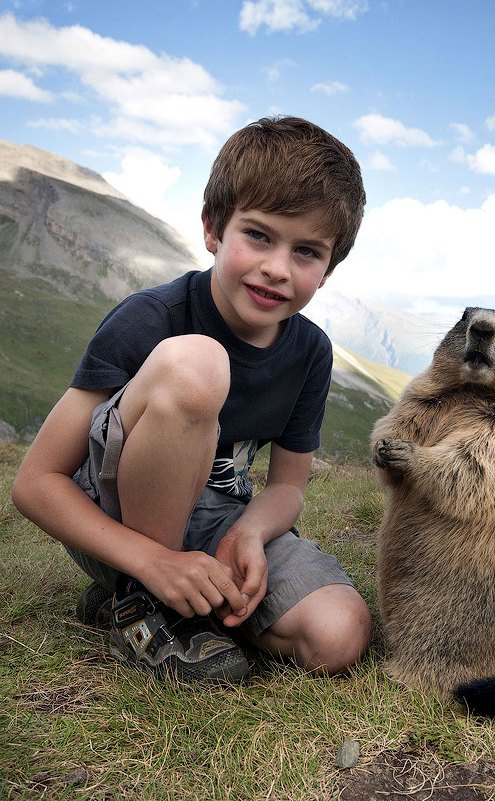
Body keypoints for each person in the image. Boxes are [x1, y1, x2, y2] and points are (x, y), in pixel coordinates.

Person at [11, 116, 372, 684]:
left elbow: (286, 485)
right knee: (198, 364)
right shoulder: (151, 318)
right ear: (213, 230)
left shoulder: (309, 353)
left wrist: (247, 533)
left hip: (215, 519)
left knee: (337, 635)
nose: (277, 268)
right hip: (114, 518)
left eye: (307, 251)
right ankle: (140, 599)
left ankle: (174, 594)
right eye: (258, 235)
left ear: (328, 269)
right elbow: (35, 483)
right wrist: (152, 562)